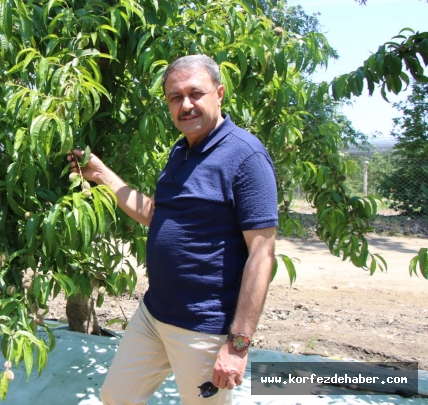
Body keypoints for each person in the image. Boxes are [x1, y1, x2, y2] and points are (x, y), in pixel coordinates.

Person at [69, 55, 278, 405]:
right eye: (175, 97)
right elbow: (156, 214)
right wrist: (102, 174)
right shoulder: (181, 150)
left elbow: (262, 252)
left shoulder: (246, 156)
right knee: (117, 397)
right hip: (154, 315)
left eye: (195, 93)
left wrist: (238, 344)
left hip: (203, 328)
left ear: (220, 93)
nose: (186, 105)